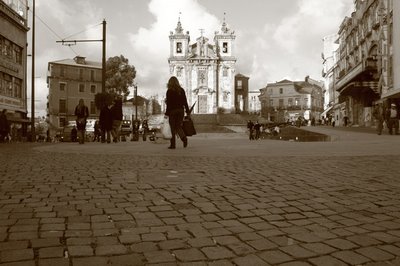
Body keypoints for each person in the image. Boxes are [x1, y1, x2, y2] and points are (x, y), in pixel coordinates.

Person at [165, 76, 189, 149]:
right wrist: (187, 111)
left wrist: (166, 113)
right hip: (181, 111)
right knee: (178, 126)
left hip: (173, 111)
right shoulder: (181, 90)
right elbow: (185, 101)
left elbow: (169, 103)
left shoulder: (169, 91)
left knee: (172, 128)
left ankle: (173, 145)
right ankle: (184, 138)